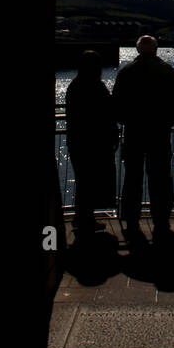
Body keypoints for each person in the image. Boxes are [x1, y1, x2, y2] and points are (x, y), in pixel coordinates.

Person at [112, 35, 174, 247]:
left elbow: (116, 103)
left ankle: (131, 219)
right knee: (160, 178)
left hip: (134, 133)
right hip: (159, 134)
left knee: (132, 177)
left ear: (137, 50)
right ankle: (161, 220)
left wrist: (126, 121)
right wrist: (167, 122)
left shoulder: (126, 72)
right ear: (156, 49)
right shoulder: (167, 71)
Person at [65, 50, 119, 238]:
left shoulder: (74, 86)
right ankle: (85, 219)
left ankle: (82, 217)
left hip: (77, 140)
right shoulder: (97, 87)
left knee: (83, 181)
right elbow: (108, 113)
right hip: (96, 142)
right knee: (90, 181)